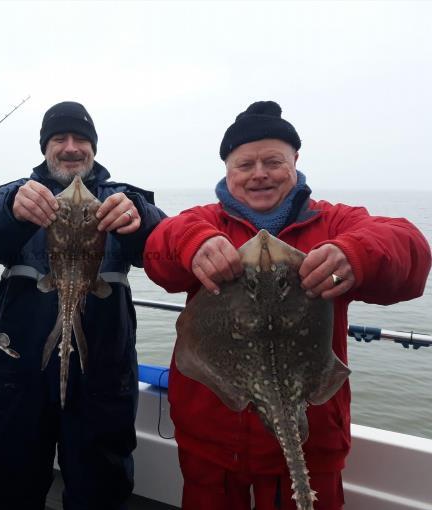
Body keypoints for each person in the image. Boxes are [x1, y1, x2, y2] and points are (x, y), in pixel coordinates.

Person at [143, 101, 431, 510]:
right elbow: (160, 247)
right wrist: (194, 244)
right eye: (245, 164)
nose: (259, 173)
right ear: (227, 170)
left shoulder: (334, 225)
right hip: (212, 439)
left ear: (295, 162)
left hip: (310, 435)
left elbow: (411, 249)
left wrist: (355, 255)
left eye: (272, 161)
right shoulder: (205, 222)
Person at [0, 101, 165, 510]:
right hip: (18, 372)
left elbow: (165, 243)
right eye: (60, 138)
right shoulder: (16, 194)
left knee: (100, 486)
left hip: (103, 374)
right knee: (12, 481)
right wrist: (12, 211)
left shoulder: (121, 198)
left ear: (93, 148)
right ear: (45, 147)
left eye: (81, 139)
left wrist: (140, 219)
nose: (71, 147)